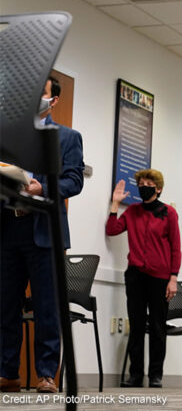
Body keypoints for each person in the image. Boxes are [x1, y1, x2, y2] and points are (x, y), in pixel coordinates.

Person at [0, 76, 84, 393]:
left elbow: (74, 180)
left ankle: (46, 374)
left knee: (47, 307)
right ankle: (8, 372)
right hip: (8, 229)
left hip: (45, 230)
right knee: (6, 306)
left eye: (43, 92)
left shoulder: (67, 137)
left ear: (54, 101)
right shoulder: (7, 136)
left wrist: (43, 187)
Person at [106, 169, 181, 388]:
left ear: (158, 188)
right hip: (136, 275)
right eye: (141, 182)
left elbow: (176, 248)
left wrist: (173, 278)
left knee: (158, 326)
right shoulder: (132, 212)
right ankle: (135, 375)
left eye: (149, 183)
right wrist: (115, 204)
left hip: (160, 277)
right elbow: (112, 229)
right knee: (137, 326)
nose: (144, 185)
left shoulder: (169, 213)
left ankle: (156, 375)